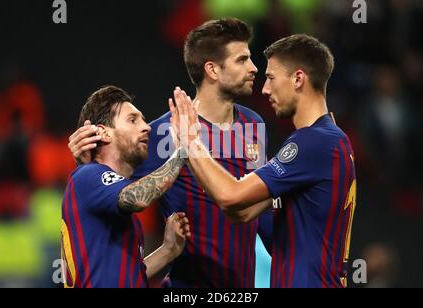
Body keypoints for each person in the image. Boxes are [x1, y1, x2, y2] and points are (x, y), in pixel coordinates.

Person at [68, 18, 273, 288]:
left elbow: (261, 209)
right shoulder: (164, 132)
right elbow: (111, 182)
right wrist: (85, 158)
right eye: (242, 60)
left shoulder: (253, 125)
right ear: (212, 69)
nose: (253, 67)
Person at [171, 34, 357, 288]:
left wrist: (190, 140)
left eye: (271, 78)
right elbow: (242, 211)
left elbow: (231, 195)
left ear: (298, 79)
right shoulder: (328, 140)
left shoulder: (314, 142)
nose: (265, 89)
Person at [61, 85, 190, 288]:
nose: (146, 127)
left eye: (143, 119)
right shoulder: (87, 176)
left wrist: (168, 250)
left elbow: (131, 278)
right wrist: (184, 148)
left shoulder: (118, 215)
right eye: (133, 120)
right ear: (104, 133)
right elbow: (138, 198)